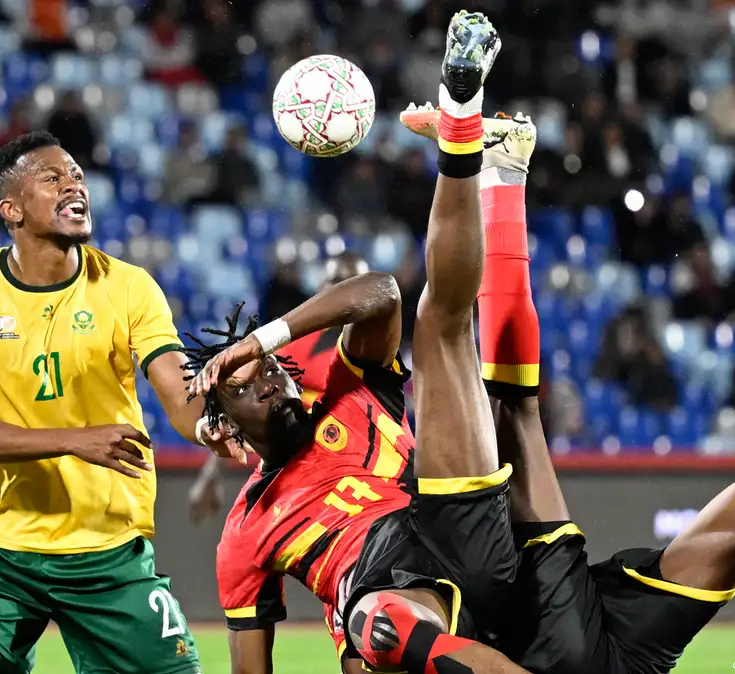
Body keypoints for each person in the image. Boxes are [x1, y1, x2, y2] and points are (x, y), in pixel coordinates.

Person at [403, 104, 735, 672]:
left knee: (513, 412)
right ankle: (504, 171)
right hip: (598, 654)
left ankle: (504, 171)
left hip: (585, 646)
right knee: (516, 411)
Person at [189, 13, 530, 674]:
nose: (267, 379)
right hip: (384, 602)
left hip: (450, 524)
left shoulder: (346, 389)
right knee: (370, 637)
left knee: (444, 327)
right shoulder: (245, 531)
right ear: (227, 429)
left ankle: (475, 144)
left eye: (268, 369)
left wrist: (265, 336)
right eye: (245, 387)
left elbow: (380, 292)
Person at [0, 131, 222, 674]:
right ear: (11, 209)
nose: (74, 185)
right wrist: (76, 441)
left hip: (107, 547)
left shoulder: (129, 286)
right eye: (52, 178)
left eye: (76, 176)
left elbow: (179, 394)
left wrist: (212, 424)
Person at [188, 251, 372, 523]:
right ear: (321, 286)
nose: (345, 291)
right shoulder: (292, 342)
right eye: (337, 281)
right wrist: (211, 472)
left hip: (345, 472)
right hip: (286, 472)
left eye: (355, 282)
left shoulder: (374, 353)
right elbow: (239, 404)